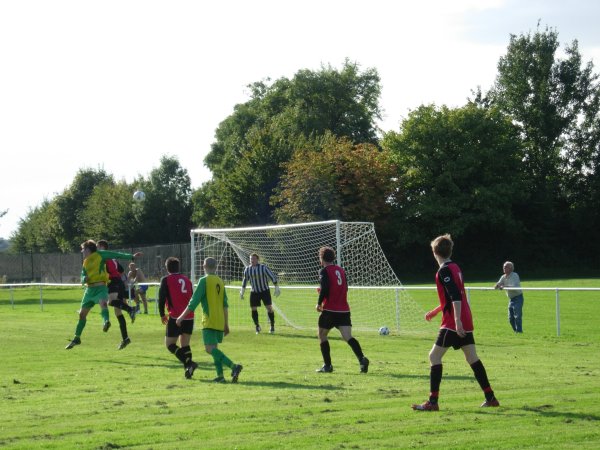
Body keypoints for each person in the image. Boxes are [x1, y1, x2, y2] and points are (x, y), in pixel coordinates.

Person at [412, 234, 499, 411]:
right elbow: (453, 295)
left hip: (454, 321)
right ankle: (490, 397)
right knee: (472, 358)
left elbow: (455, 296)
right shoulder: (455, 267)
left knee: (433, 357)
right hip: (464, 317)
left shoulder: (443, 270)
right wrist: (436, 311)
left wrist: (457, 321)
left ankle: (433, 402)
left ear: (434, 252)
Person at [65, 240, 141, 350]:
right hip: (101, 286)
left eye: (83, 249)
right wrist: (84, 279)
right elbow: (120, 269)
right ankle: (125, 337)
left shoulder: (102, 254)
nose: (82, 251)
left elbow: (116, 256)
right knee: (115, 311)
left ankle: (124, 313)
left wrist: (131, 257)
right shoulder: (87, 261)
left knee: (108, 303)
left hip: (108, 284)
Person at [177, 257, 243, 383]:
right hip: (219, 320)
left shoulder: (204, 281)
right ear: (215, 267)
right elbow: (225, 305)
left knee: (209, 349)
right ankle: (220, 376)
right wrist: (226, 324)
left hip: (209, 320)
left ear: (204, 266)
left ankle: (234, 366)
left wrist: (181, 317)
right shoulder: (220, 281)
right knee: (214, 349)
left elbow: (193, 302)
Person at [315, 246, 369, 374]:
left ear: (321, 258)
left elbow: (325, 287)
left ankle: (327, 366)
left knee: (322, 335)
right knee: (347, 336)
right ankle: (362, 359)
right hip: (344, 310)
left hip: (330, 310)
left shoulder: (324, 271)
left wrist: (319, 303)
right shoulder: (341, 270)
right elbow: (345, 288)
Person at [158, 257, 198, 379]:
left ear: (167, 268)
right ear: (178, 267)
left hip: (176, 316)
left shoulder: (166, 280)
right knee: (185, 344)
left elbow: (161, 298)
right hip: (189, 316)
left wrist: (162, 314)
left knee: (170, 344)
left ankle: (189, 363)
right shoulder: (187, 280)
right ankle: (189, 370)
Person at [97, 240, 141, 350]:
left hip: (113, 282)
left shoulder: (104, 257)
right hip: (119, 282)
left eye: (97, 246)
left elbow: (113, 272)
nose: (96, 249)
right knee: (118, 313)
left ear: (102, 247)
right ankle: (125, 338)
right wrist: (125, 283)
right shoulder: (112, 258)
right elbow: (121, 271)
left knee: (111, 302)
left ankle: (131, 309)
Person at [240, 253, 280, 334]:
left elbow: (272, 276)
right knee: (253, 309)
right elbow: (245, 281)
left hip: (264, 291)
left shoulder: (263, 268)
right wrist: (242, 291)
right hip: (254, 291)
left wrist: (276, 287)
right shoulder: (247, 269)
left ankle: (272, 326)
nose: (252, 260)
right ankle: (257, 326)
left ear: (257, 259)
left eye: (254, 259)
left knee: (269, 308)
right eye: (251, 259)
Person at [494, 261, 524, 333]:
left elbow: (514, 287)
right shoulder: (503, 276)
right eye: (503, 267)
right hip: (511, 299)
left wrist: (503, 286)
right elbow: (498, 284)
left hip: (518, 297)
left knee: (517, 316)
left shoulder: (515, 275)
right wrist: (496, 285)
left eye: (506, 267)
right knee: (510, 318)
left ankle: (519, 331)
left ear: (511, 268)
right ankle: (515, 331)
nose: (504, 268)